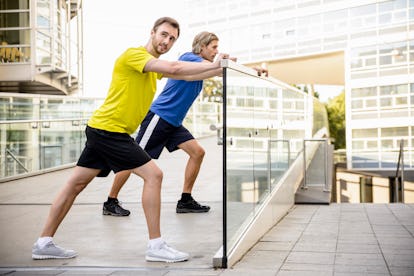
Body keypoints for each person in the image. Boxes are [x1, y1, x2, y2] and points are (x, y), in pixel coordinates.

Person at [31, 17, 229, 263]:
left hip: (102, 129)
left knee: (75, 185)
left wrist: (221, 68)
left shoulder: (150, 68)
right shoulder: (133, 55)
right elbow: (176, 69)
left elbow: (187, 76)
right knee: (153, 175)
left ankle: (43, 243)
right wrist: (217, 65)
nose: (166, 41)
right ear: (153, 32)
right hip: (109, 131)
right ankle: (156, 246)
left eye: (172, 39)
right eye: (164, 35)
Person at [102, 32, 267, 217]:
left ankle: (185, 200)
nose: (216, 51)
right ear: (202, 47)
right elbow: (215, 66)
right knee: (133, 160)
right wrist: (224, 62)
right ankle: (110, 201)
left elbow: (222, 70)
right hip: (159, 117)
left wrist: (253, 70)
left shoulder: (203, 68)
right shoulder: (189, 58)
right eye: (213, 47)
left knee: (198, 153)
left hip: (173, 123)